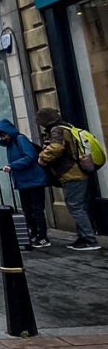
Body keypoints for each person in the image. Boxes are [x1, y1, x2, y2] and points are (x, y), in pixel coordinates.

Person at [37, 107, 101, 251]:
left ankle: (90, 240)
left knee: (75, 207)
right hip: (77, 172)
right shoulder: (67, 126)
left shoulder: (56, 130)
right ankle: (82, 238)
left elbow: (56, 148)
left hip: (72, 173)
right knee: (79, 206)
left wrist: (42, 157)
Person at [0, 119, 50, 248]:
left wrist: (12, 166)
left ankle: (43, 237)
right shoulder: (10, 144)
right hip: (23, 181)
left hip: (34, 179)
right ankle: (34, 233)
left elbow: (30, 156)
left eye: (3, 134)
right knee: (27, 209)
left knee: (37, 209)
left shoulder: (20, 139)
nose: (3, 137)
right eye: (1, 135)